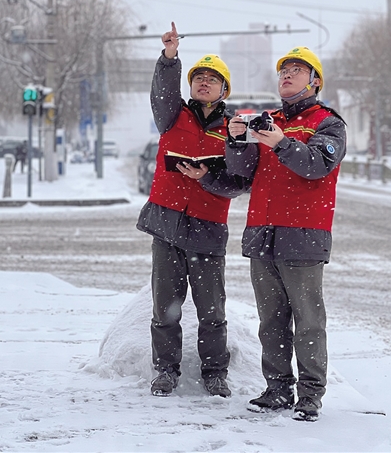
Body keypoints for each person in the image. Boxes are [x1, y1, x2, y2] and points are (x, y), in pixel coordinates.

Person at [218, 46, 347, 422]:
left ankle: (310, 395)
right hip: (263, 233)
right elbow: (243, 173)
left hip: (304, 234)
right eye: (283, 70)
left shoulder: (328, 124)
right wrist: (237, 140)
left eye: (296, 70)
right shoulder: (268, 121)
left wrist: (280, 142)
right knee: (271, 321)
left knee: (308, 320)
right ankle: (277, 389)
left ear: (315, 81)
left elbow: (317, 165)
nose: (286, 75)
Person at [136, 22, 247, 399]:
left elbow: (240, 182)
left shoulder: (233, 129)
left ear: (224, 89)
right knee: (165, 309)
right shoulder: (173, 115)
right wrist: (170, 57)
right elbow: (162, 92)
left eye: (212, 79)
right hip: (167, 224)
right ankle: (165, 371)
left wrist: (207, 177)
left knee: (212, 311)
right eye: (198, 77)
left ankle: (215, 373)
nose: (204, 82)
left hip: (208, 229)